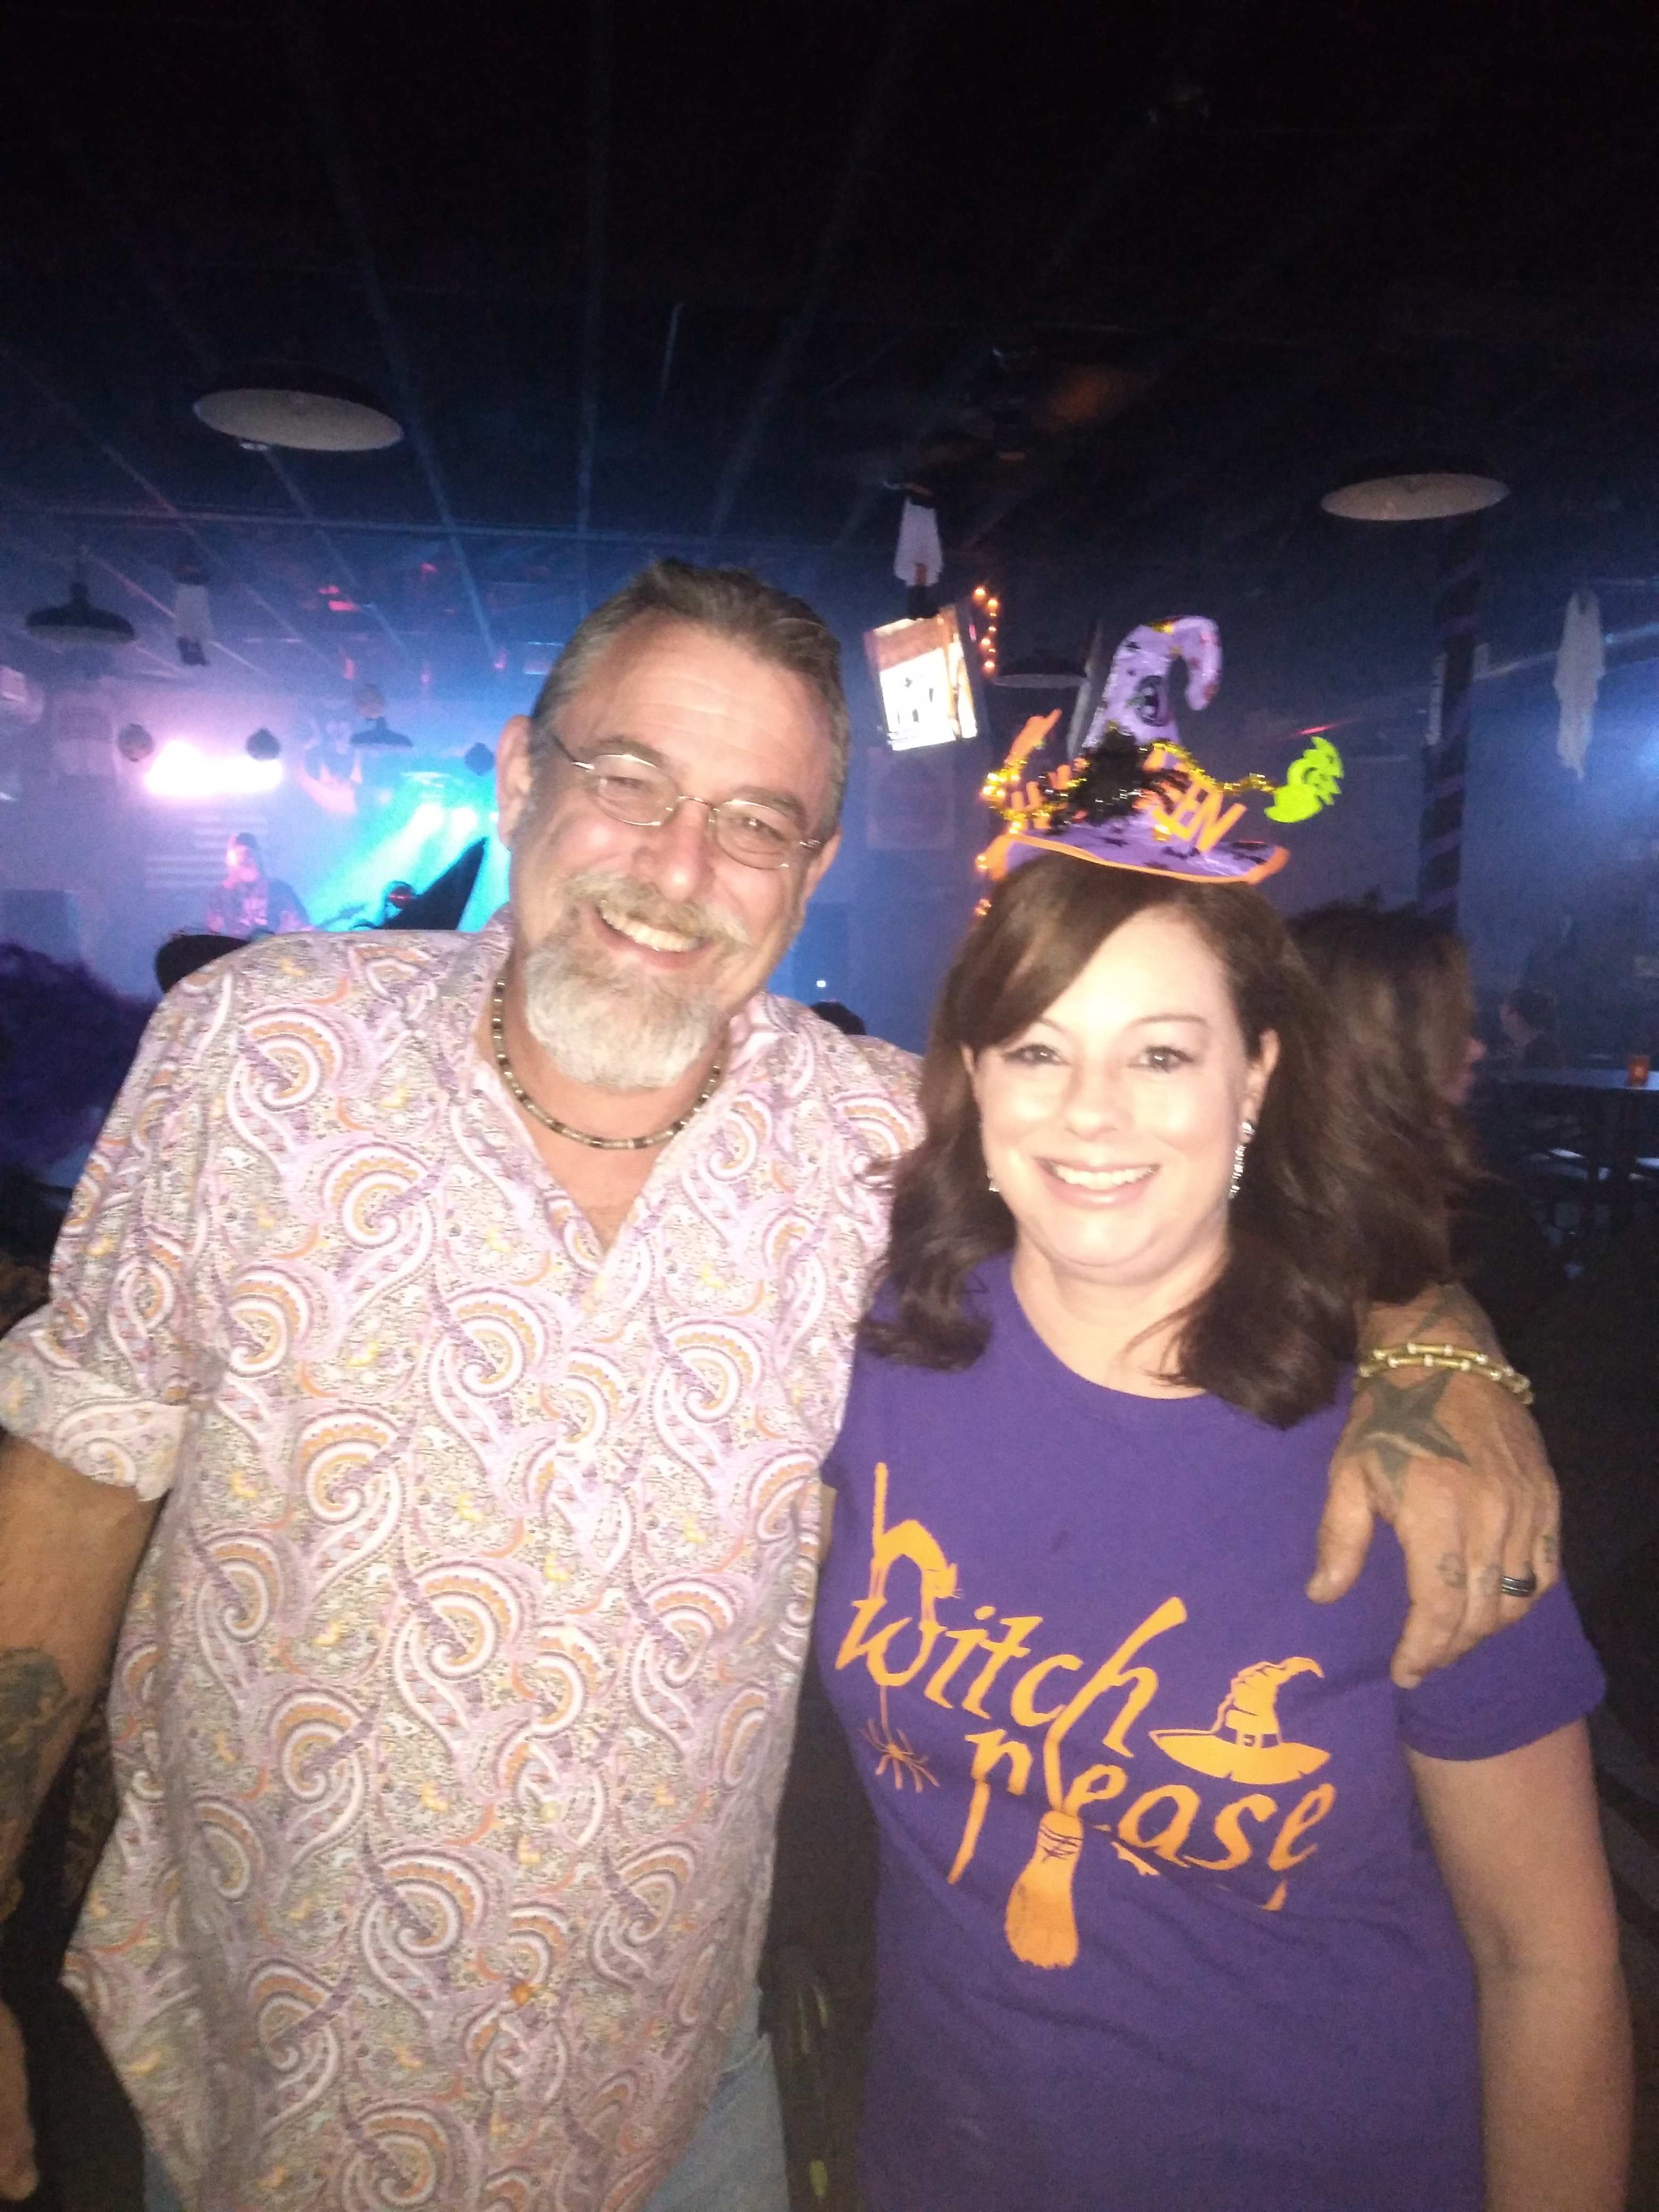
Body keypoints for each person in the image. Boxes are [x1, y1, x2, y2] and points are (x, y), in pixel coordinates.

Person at [0, 563, 1557, 2212]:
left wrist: (1432, 1337)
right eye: (630, 782)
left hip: (673, 2114)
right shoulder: (262, 1056)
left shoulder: (872, 1143)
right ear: (521, 776)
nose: (679, 869)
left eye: (755, 823)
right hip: (278, 2094)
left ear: (810, 871)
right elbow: (67, 1495)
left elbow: (1158, 1185)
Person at [818, 848, 1627, 2212]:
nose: (1091, 1112)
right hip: (940, 2162)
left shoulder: (1409, 1459)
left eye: (1159, 1054)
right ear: (973, 1073)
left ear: (1253, 1077)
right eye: (1037, 1049)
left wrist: (1434, 1343)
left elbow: (1542, 1955)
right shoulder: (881, 1350)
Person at [1291, 903, 1565, 1355]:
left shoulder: (1240, 1198)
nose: (1475, 1049)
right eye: (1453, 1030)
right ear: (1384, 1050)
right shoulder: (1476, 1222)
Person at [201, 831, 309, 936]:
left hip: (274, 948)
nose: (244, 859)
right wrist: (227, 890)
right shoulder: (221, 894)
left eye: (248, 854)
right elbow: (211, 933)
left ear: (258, 858)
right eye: (239, 855)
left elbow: (306, 928)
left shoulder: (281, 889)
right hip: (239, 948)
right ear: (230, 861)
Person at [1498, 984, 1565, 1069]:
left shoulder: (1545, 1054)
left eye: (1504, 1008)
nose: (1500, 1011)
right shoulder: (1501, 1046)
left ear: (1515, 1014)